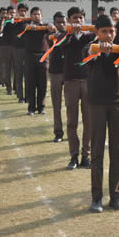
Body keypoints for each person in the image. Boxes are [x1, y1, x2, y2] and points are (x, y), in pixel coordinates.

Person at [83, 14, 119, 212]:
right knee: (97, 151)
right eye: (104, 31)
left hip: (117, 102)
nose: (108, 35)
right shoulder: (91, 48)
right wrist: (97, 49)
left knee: (117, 151)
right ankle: (96, 198)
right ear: (97, 33)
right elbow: (86, 54)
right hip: (97, 103)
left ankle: (115, 196)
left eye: (112, 31)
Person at [63, 6, 95, 170]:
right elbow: (60, 48)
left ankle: (86, 155)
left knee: (89, 121)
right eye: (74, 18)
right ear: (69, 20)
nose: (78, 21)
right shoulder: (64, 36)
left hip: (88, 81)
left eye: (81, 18)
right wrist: (69, 33)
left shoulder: (91, 36)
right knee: (72, 122)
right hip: (71, 82)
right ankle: (73, 156)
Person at [23, 7, 52, 115]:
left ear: (42, 16)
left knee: (42, 84)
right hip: (30, 57)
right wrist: (31, 27)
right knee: (30, 84)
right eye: (34, 14)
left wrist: (49, 26)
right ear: (31, 16)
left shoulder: (45, 26)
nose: (36, 16)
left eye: (38, 14)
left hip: (43, 58)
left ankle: (41, 108)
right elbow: (24, 26)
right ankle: (31, 108)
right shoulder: (26, 26)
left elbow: (52, 29)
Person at [48, 11, 67, 142]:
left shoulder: (71, 35)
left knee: (72, 106)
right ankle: (58, 133)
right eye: (58, 22)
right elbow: (52, 42)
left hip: (70, 73)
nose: (61, 24)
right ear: (54, 23)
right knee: (56, 105)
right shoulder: (50, 36)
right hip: (55, 72)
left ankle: (72, 131)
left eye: (63, 22)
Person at [12, 3, 29, 103]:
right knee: (18, 73)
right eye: (21, 11)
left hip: (28, 49)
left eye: (24, 11)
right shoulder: (14, 21)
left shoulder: (30, 21)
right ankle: (20, 96)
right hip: (17, 49)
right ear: (18, 11)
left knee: (28, 74)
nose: (23, 13)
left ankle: (27, 96)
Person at [0, 6, 16, 96]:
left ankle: (16, 88)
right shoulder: (4, 21)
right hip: (6, 47)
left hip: (16, 48)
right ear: (7, 13)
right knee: (7, 68)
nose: (12, 14)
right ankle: (8, 89)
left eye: (14, 13)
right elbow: (0, 31)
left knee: (17, 68)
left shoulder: (17, 21)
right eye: (10, 12)